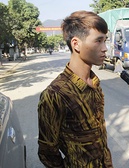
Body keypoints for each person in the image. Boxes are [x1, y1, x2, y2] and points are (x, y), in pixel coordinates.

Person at [37, 10, 113, 168]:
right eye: (98, 41)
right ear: (76, 44)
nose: (105, 48)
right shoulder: (55, 94)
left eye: (105, 40)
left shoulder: (94, 83)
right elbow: (47, 152)